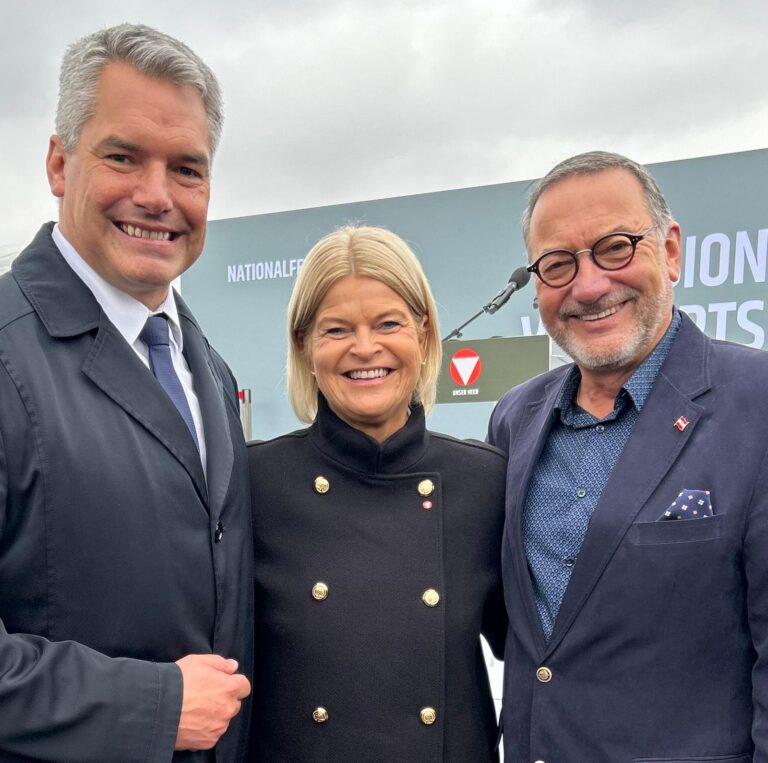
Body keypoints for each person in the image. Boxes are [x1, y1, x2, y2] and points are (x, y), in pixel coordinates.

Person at [0, 24, 252, 762]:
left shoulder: (205, 363)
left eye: (187, 169)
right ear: (58, 162)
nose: (157, 196)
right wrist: (154, 704)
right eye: (122, 157)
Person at [488, 150, 768, 762]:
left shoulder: (759, 404)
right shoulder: (514, 419)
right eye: (558, 264)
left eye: (616, 248)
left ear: (669, 251)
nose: (589, 286)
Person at [247, 225, 507, 761]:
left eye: (388, 323)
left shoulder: (485, 483)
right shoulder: (252, 483)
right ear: (304, 345)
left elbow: (538, 659)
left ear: (423, 332)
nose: (365, 348)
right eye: (336, 330)